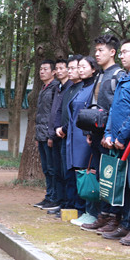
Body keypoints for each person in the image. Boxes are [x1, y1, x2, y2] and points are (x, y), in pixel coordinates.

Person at [99, 39, 130, 245]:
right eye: (121, 52)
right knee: (124, 186)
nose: (121, 56)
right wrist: (108, 133)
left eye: (125, 52)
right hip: (117, 141)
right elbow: (114, 109)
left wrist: (121, 137)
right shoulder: (124, 78)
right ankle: (126, 224)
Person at [81, 35, 125, 234]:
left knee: (112, 176)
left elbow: (119, 107)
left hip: (111, 136)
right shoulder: (100, 75)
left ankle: (114, 218)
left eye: (101, 50)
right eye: (96, 50)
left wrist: (113, 134)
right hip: (97, 133)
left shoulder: (118, 75)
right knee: (101, 175)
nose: (97, 54)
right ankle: (103, 215)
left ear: (112, 52)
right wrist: (90, 131)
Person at [69, 56, 101, 227]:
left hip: (87, 136)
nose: (80, 70)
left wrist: (88, 133)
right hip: (76, 136)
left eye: (83, 67)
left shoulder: (95, 86)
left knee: (90, 173)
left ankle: (93, 212)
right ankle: (85, 210)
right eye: (78, 67)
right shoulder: (81, 87)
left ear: (93, 69)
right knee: (81, 172)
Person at [54, 55, 83, 219]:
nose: (70, 71)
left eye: (73, 68)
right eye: (69, 68)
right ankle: (67, 204)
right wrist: (58, 127)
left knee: (75, 173)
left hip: (76, 136)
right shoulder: (69, 89)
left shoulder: (83, 88)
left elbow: (77, 115)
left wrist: (64, 128)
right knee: (65, 172)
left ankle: (77, 206)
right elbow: (60, 110)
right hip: (64, 135)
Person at [34, 60, 61, 209]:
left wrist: (51, 135)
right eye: (40, 69)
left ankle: (54, 197)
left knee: (52, 168)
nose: (42, 72)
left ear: (53, 72)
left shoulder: (55, 87)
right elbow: (40, 114)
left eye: (45, 69)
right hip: (41, 134)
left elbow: (54, 113)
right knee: (45, 168)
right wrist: (37, 136)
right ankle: (48, 196)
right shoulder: (43, 88)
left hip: (49, 134)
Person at [47, 58, 72, 216]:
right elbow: (55, 112)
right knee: (56, 171)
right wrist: (53, 131)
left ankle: (66, 203)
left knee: (64, 172)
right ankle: (60, 201)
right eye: (57, 68)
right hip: (56, 133)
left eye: (62, 68)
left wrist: (62, 128)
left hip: (65, 134)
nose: (59, 71)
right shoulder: (58, 88)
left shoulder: (71, 87)